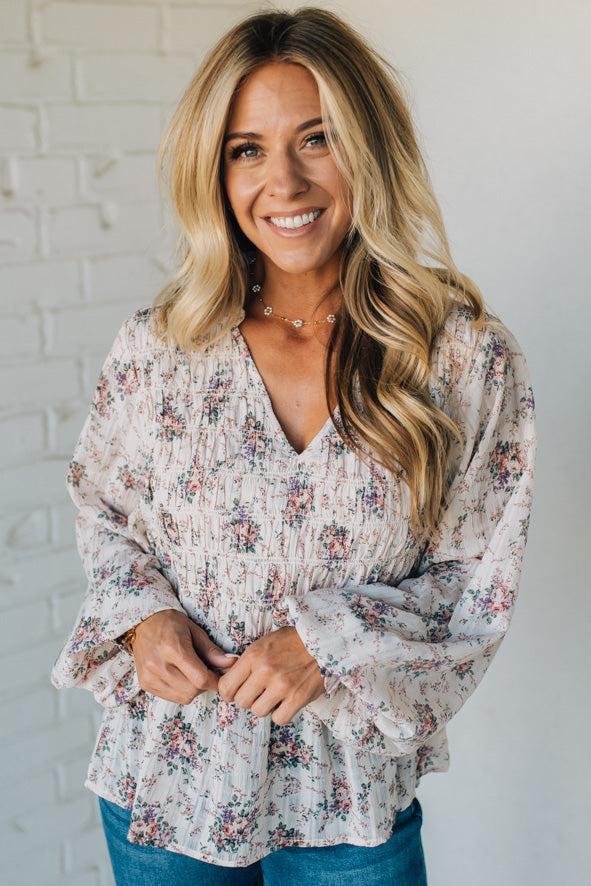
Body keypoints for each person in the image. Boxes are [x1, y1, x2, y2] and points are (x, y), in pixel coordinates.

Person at [49, 7, 537, 885]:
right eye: (247, 149)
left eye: (317, 139)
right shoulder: (161, 346)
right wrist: (141, 619)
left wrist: (326, 642)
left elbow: (477, 582)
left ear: (369, 148)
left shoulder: (457, 355)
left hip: (347, 803)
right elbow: (106, 510)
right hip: (167, 786)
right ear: (215, 168)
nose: (284, 180)